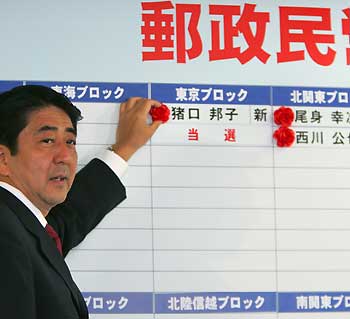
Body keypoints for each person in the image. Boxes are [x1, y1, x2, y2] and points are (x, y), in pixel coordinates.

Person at [0, 85, 162, 318]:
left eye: (70, 142)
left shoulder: (25, 226)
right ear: (3, 160)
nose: (65, 156)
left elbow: (71, 216)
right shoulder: (5, 232)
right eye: (47, 140)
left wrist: (124, 148)